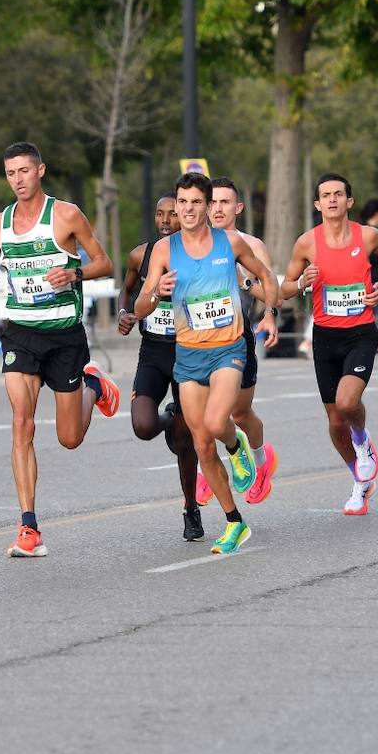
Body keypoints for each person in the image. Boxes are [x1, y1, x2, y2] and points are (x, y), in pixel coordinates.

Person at [0, 141, 118, 559]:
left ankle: (92, 385)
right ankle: (28, 526)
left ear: (40, 171)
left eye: (24, 171)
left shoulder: (66, 215)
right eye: (11, 173)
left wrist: (74, 272)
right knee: (22, 422)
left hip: (65, 336)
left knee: (69, 439)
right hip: (20, 333)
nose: (18, 180)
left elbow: (105, 263)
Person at [134, 173, 279, 555]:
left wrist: (269, 306)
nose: (188, 209)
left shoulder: (229, 242)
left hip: (228, 348)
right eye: (182, 202)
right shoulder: (165, 251)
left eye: (196, 202)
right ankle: (234, 522)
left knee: (217, 424)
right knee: (200, 444)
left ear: (207, 205)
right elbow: (140, 306)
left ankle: (237, 446)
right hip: (188, 353)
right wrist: (155, 292)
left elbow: (266, 276)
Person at [282, 173, 378, 515]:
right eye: (326, 195)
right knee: (335, 422)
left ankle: (363, 440)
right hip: (325, 337)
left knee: (348, 401)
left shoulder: (368, 236)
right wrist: (302, 283)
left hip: (360, 332)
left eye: (339, 194)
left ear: (349, 201)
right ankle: (360, 481)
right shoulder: (307, 243)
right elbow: (284, 289)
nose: (333, 199)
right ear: (318, 204)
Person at [118, 195, 203, 541]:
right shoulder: (141, 254)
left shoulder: (197, 256)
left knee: (186, 442)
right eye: (160, 213)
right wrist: (126, 314)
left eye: (173, 213)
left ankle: (191, 508)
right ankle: (170, 416)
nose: (166, 219)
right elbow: (126, 292)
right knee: (143, 425)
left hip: (188, 353)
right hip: (153, 352)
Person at [204, 176, 279, 506]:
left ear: (238, 207)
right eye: (213, 202)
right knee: (203, 413)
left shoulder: (251, 244)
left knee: (240, 413)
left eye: (224, 202)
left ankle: (262, 462)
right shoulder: (194, 243)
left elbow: (270, 290)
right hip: (202, 339)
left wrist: (268, 313)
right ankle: (210, 472)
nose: (218, 208)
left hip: (239, 335)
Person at [359, 199, 378, 354]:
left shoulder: (367, 230)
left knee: (373, 311)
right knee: (370, 311)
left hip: (376, 278)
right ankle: (372, 341)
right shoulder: (370, 233)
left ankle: (374, 341)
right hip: (369, 278)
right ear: (377, 212)